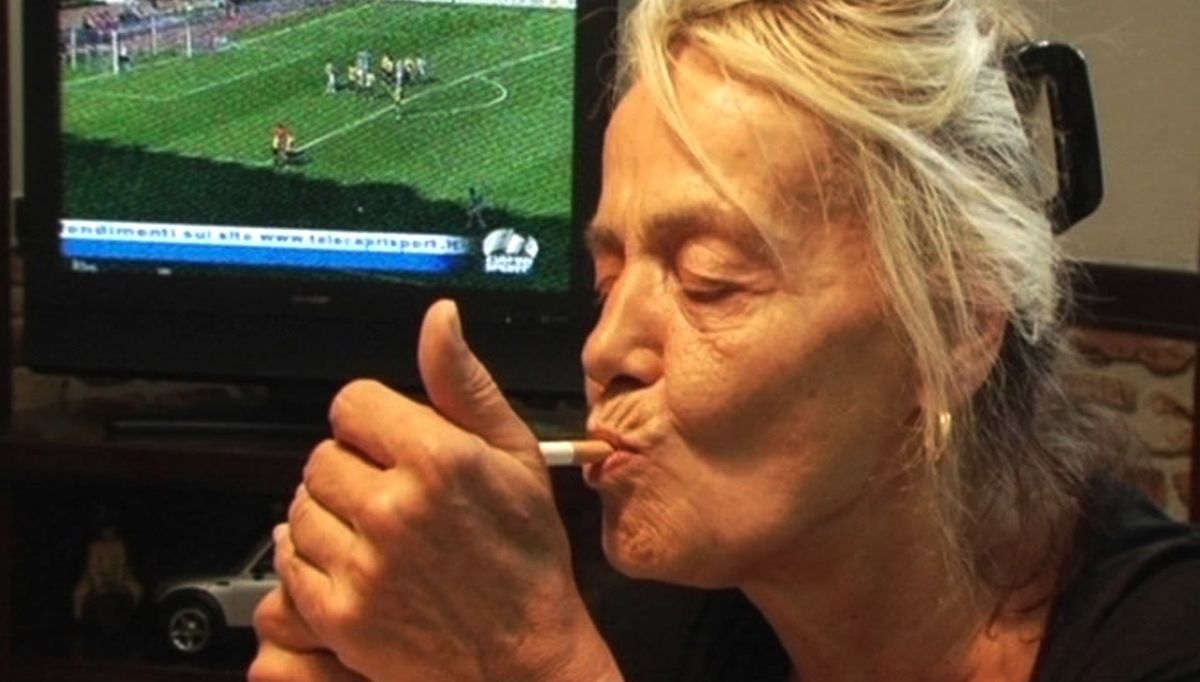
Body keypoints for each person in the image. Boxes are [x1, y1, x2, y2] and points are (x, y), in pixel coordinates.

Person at [250, 1, 1200, 681]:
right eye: (608, 276)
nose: (605, 349)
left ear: (954, 333)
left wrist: (530, 663)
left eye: (709, 281)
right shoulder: (664, 624)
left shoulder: (1162, 644)